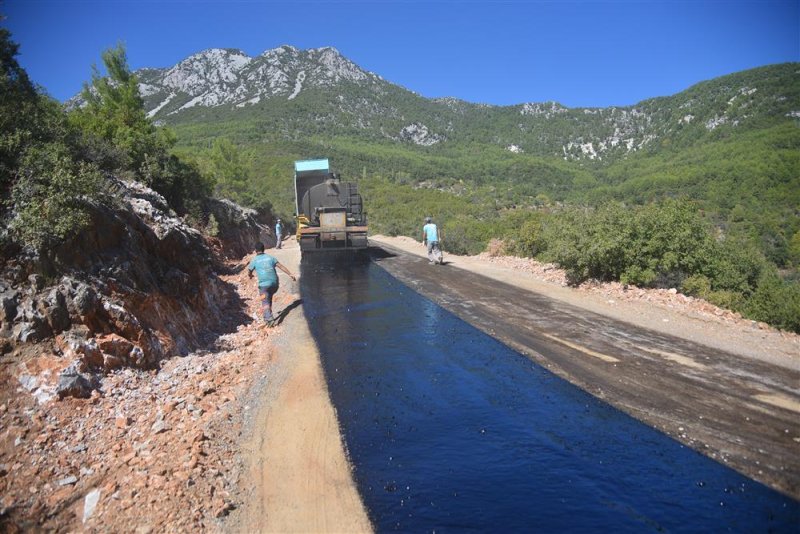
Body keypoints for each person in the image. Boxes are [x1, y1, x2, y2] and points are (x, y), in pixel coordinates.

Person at [247, 241, 296, 326]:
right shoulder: (270, 257)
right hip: (274, 284)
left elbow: (249, 271)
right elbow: (281, 266)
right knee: (268, 297)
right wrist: (290, 274)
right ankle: (268, 316)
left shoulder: (254, 260)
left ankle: (269, 320)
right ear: (263, 249)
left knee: (265, 300)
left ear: (255, 250)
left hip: (264, 285)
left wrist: (250, 275)